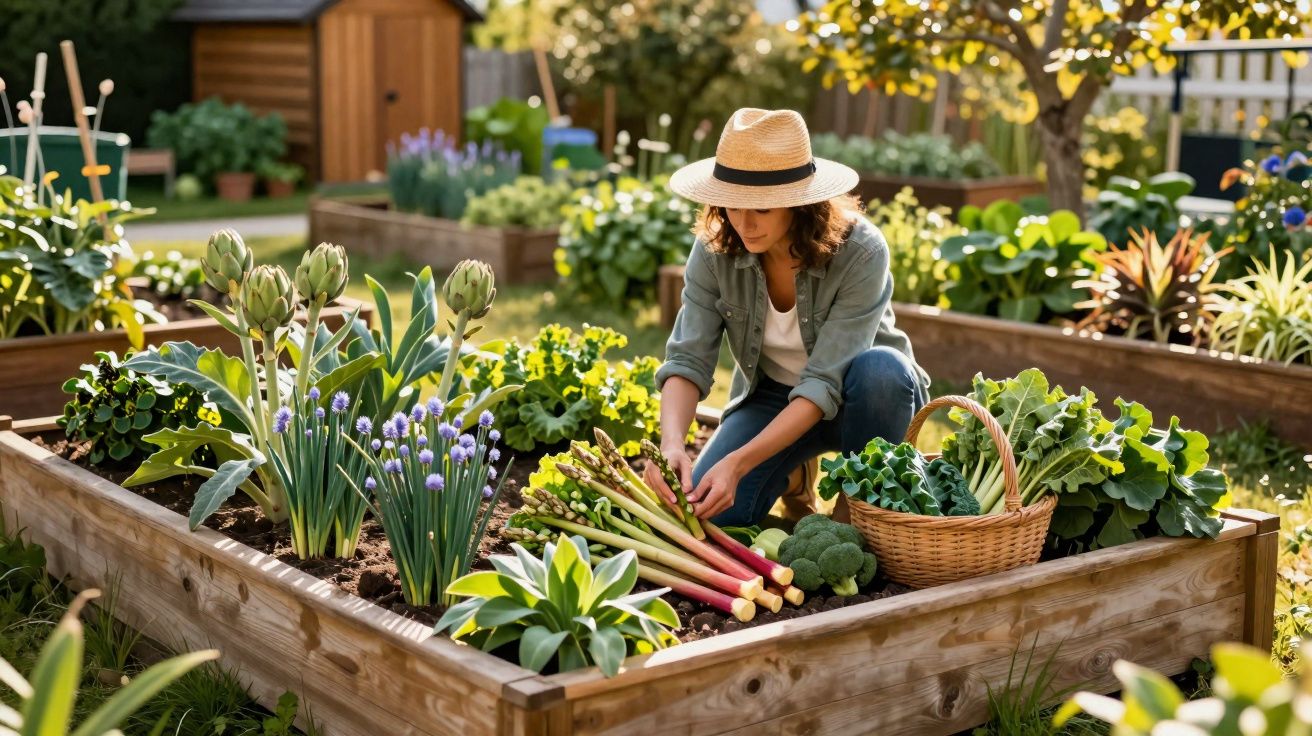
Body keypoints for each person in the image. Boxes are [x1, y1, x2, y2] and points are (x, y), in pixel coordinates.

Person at [645, 108, 931, 527]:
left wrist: (740, 463)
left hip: (867, 403)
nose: (743, 223)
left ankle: (861, 507)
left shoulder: (862, 251)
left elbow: (823, 381)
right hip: (774, 397)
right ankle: (794, 472)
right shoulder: (714, 250)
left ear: (800, 203)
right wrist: (670, 444)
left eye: (760, 208)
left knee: (882, 370)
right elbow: (688, 358)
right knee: (712, 515)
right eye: (733, 204)